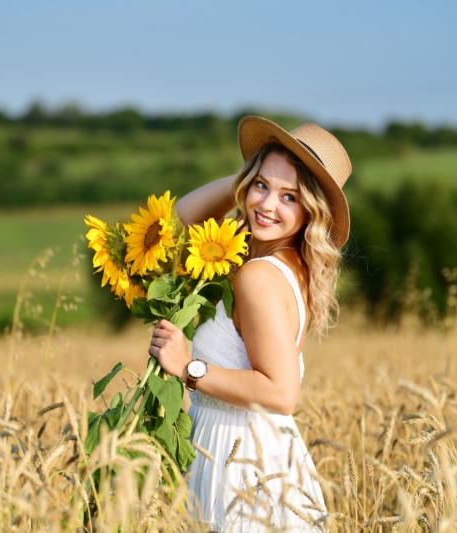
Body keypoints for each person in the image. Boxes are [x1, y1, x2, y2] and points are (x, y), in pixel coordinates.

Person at [148, 116, 351, 531]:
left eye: (290, 196)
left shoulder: (258, 276)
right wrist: (248, 176)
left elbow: (280, 392)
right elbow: (175, 223)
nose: (267, 205)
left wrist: (189, 368)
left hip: (240, 466)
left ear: (312, 210)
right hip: (254, 454)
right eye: (262, 186)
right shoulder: (287, 265)